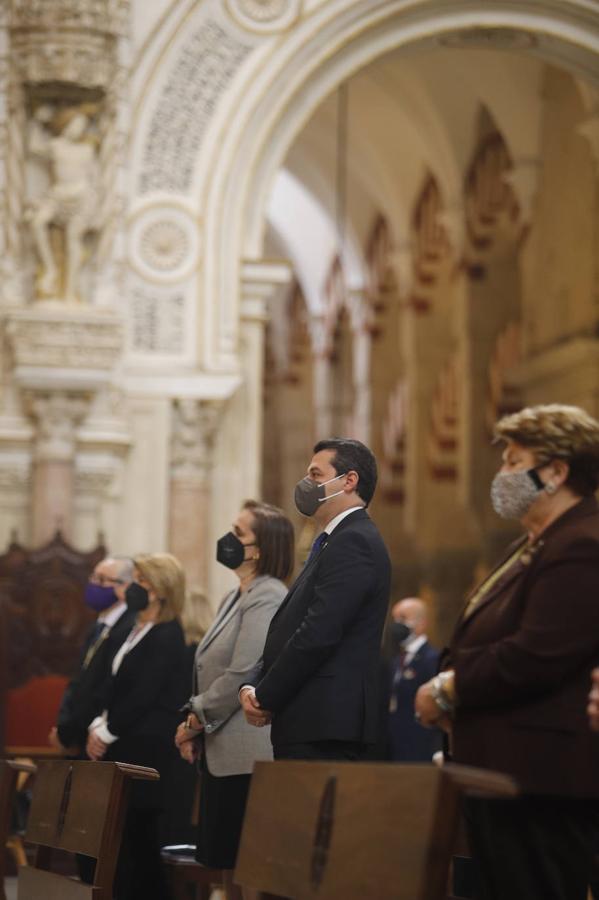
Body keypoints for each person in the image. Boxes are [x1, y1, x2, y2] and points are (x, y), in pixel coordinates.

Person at [415, 404, 599, 900]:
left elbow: (537, 653)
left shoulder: (582, 543)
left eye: (515, 463)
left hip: (542, 778)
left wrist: (451, 687)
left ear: (557, 472)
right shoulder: (537, 543)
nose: (502, 475)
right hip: (504, 771)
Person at [240, 437, 391, 761]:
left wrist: (266, 695)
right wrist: (255, 686)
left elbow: (319, 631)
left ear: (349, 481)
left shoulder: (354, 541)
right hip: (310, 718)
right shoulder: (333, 541)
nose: (306, 484)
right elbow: (290, 625)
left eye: (316, 475)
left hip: (326, 722)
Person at [175, 500, 294, 900]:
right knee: (226, 862)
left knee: (246, 865)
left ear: (260, 549)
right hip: (221, 748)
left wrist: (194, 719)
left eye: (239, 533)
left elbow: (242, 671)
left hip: (246, 753)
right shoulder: (234, 596)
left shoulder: (268, 595)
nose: (229, 539)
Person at [86, 553, 188, 900]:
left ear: (160, 590)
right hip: (123, 743)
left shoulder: (167, 634)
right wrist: (99, 723)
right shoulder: (134, 628)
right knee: (121, 843)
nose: (135, 587)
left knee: (141, 845)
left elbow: (144, 694)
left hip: (147, 752)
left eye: (142, 581)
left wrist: (106, 732)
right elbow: (112, 685)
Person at [49, 555, 135, 756]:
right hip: (78, 737)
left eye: (103, 580)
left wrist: (71, 734)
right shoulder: (97, 625)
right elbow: (78, 682)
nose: (94, 584)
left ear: (125, 586)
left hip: (99, 740)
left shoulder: (127, 627)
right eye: (93, 577)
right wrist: (64, 730)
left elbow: (102, 688)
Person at [387, 597, 442, 762]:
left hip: (421, 748)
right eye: (394, 619)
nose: (397, 624)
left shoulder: (432, 659)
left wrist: (437, 749)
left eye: (403, 618)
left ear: (422, 623)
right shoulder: (396, 659)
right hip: (395, 745)